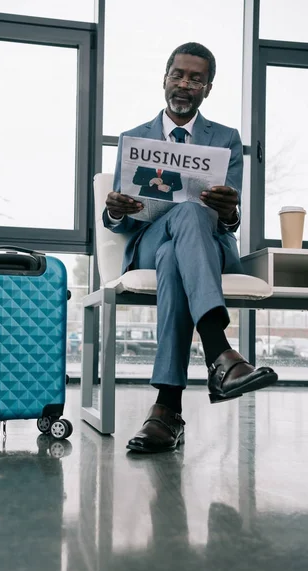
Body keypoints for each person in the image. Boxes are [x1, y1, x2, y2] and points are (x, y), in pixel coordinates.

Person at [103, 42, 278, 454]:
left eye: (195, 79)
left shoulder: (227, 140)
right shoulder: (134, 137)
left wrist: (230, 211)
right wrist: (114, 210)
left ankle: (167, 409)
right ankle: (221, 354)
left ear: (208, 88)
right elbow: (121, 217)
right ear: (165, 79)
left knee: (189, 227)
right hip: (149, 239)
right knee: (180, 224)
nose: (184, 84)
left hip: (204, 244)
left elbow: (228, 216)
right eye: (178, 75)